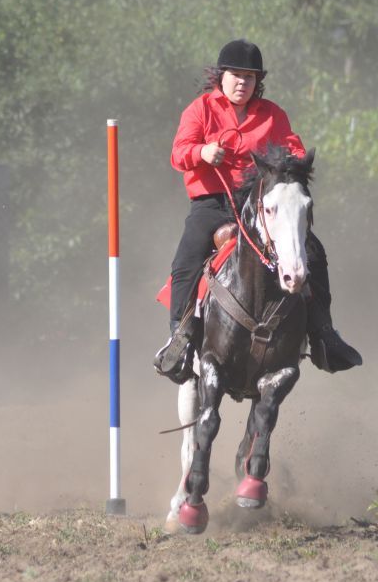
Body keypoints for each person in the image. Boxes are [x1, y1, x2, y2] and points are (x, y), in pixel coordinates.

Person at [154, 39, 362, 383]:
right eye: (236, 74)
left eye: (250, 76)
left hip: (262, 206)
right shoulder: (200, 109)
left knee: (314, 250)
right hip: (213, 203)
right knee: (188, 255)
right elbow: (179, 153)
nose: (242, 82)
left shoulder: (273, 114)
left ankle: (324, 334)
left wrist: (290, 164)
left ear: (257, 81)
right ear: (221, 76)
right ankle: (179, 335)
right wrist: (203, 152)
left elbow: (292, 148)